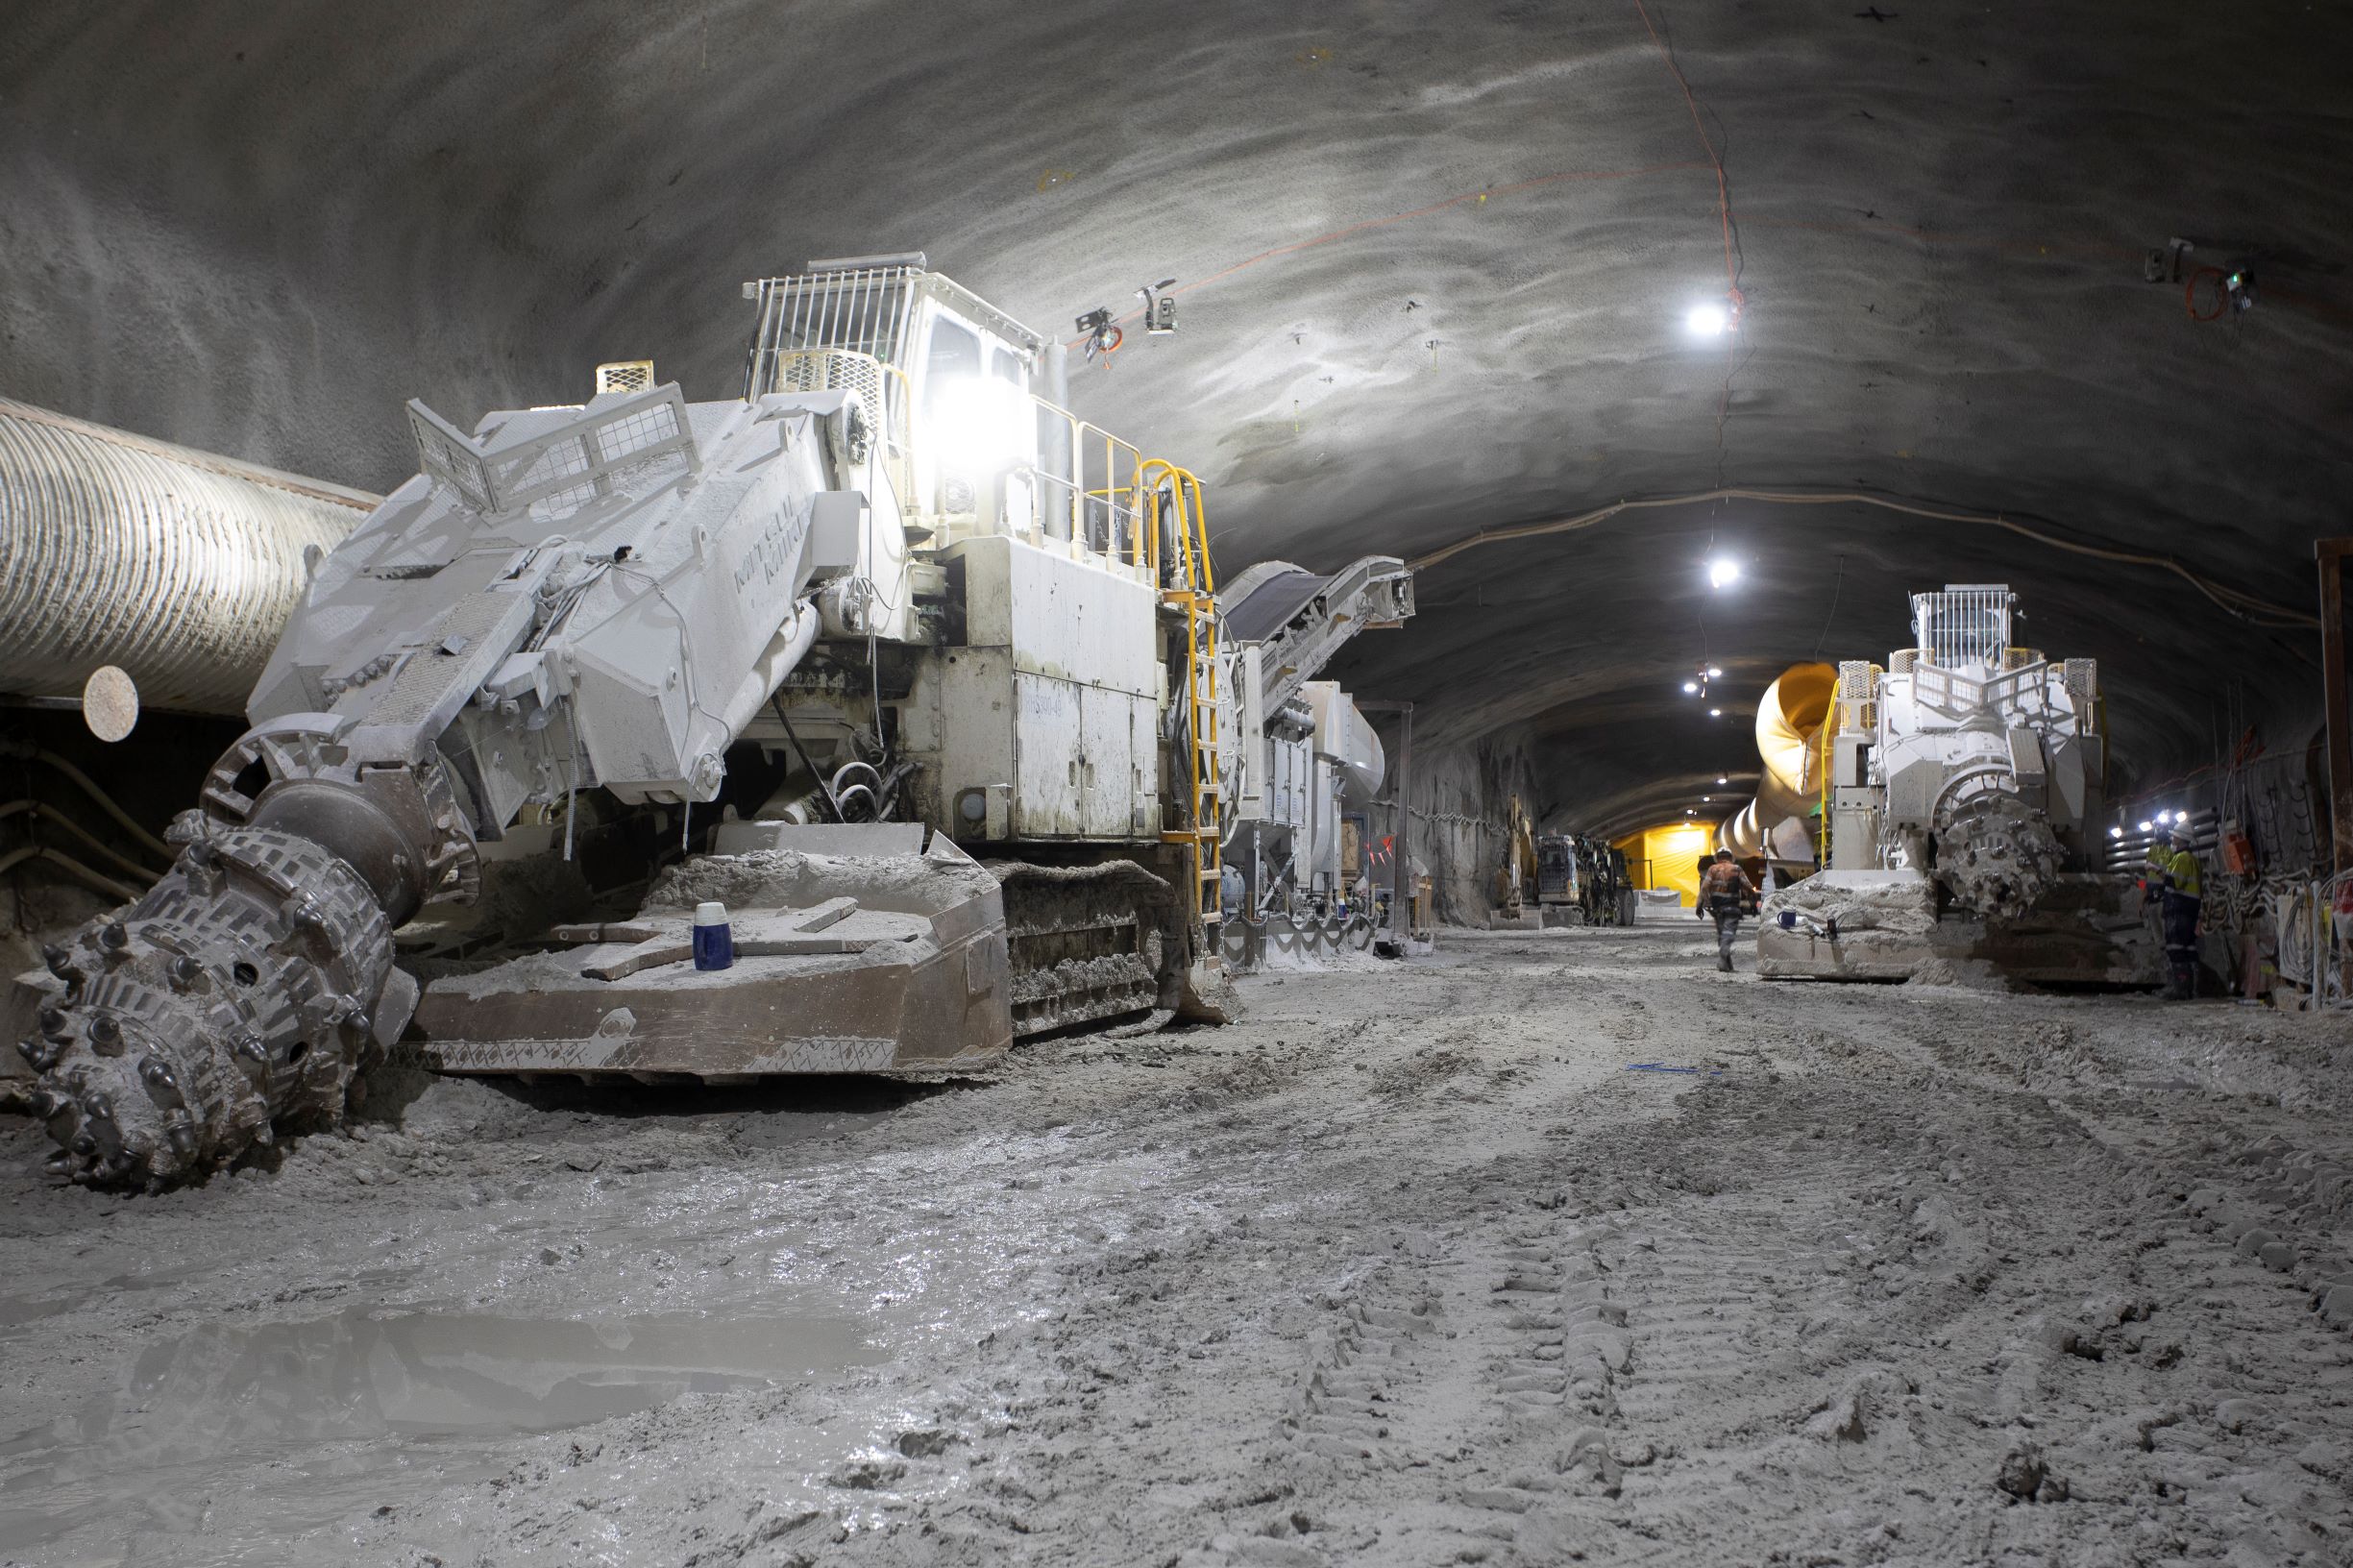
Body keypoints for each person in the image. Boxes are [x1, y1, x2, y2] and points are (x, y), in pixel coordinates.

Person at [2155, 825, 2203, 999]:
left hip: (2179, 910)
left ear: (2180, 839)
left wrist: (2158, 872)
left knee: (2175, 949)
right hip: (2191, 910)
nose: (2172, 839)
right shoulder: (2195, 860)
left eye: (2174, 836)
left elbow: (2175, 882)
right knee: (2189, 949)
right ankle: (2193, 989)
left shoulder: (2181, 858)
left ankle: (2179, 989)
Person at [1696, 849, 1755, 973]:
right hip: (1732, 908)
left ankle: (1728, 965)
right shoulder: (1736, 869)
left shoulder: (1712, 869)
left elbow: (1704, 888)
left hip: (1717, 909)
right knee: (1727, 935)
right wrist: (1753, 904)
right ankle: (1724, 961)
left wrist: (1700, 905)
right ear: (1731, 857)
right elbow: (1748, 887)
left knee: (1722, 934)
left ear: (1717, 858)